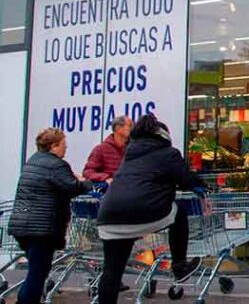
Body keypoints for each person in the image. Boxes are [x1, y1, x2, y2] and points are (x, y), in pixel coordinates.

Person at [96, 114, 205, 304]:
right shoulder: (168, 153)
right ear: (164, 135)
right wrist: (201, 186)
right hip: (143, 211)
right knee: (178, 212)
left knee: (112, 271)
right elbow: (187, 179)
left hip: (109, 215)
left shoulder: (130, 154)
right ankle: (179, 266)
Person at [9, 128, 93, 304]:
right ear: (54, 146)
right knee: (38, 273)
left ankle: (25, 299)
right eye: (64, 145)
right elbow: (72, 187)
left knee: (36, 270)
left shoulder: (32, 162)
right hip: (42, 228)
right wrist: (87, 183)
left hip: (22, 226)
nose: (66, 148)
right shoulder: (56, 165)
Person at [83, 116, 133, 182]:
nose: (132, 128)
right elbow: (87, 172)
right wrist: (106, 178)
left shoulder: (133, 149)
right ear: (118, 128)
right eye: (130, 125)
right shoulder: (100, 150)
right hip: (110, 189)